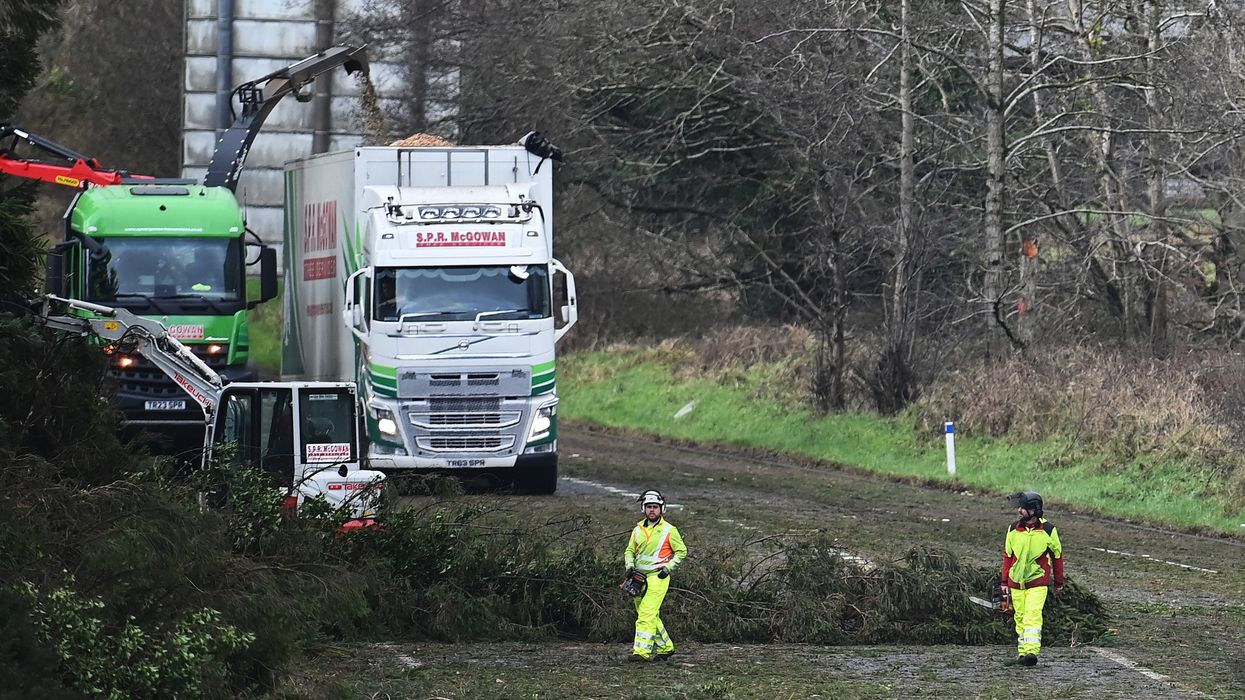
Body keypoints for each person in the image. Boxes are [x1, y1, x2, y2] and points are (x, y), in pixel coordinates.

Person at [623, 489, 687, 663]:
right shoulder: (637, 530)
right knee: (650, 615)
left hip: (658, 578)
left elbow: (681, 551)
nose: (652, 510)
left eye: (655, 507)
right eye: (649, 506)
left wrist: (668, 568)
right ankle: (666, 648)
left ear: (662, 508)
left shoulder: (669, 530)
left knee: (646, 614)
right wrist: (629, 566)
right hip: (638, 579)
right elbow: (629, 550)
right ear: (644, 508)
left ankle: (641, 652)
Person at [1001, 491, 1064, 667]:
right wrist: (1004, 582)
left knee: (1032, 616)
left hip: (1038, 583)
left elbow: (1057, 557)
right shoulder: (1012, 529)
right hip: (1016, 583)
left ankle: (1031, 652)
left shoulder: (1049, 530)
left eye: (1023, 508)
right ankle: (1022, 653)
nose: (1019, 511)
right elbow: (1007, 556)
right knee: (1020, 618)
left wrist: (1059, 582)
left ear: (1034, 510)